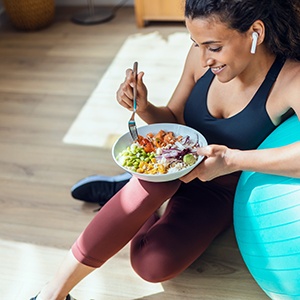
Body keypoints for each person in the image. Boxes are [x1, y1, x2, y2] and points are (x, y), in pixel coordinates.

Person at [31, 0, 300, 299]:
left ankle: (125, 190)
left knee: (152, 265)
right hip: (170, 169)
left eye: (213, 46)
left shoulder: (290, 80)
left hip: (220, 189)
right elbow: (175, 120)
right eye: (196, 44)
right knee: (160, 182)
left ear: (255, 32)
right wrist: (144, 107)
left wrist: (231, 160)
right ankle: (53, 292)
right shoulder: (199, 60)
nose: (203, 59)